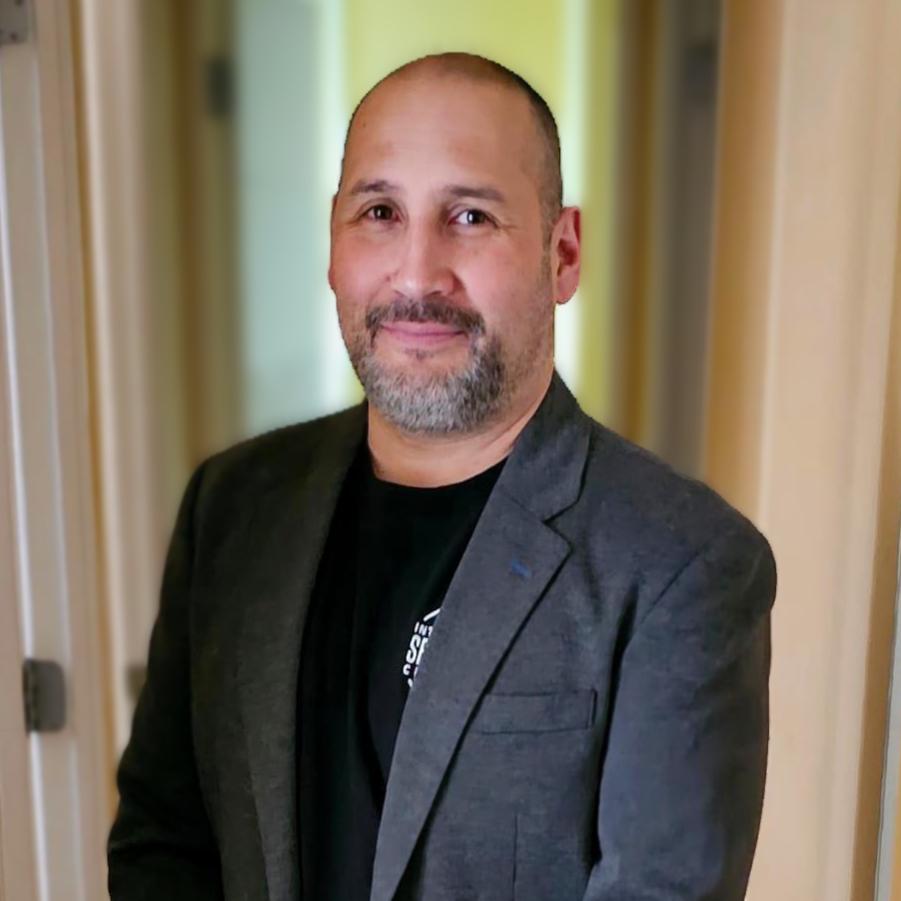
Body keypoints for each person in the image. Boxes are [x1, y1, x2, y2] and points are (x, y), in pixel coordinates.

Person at [108, 52, 777, 901]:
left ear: (562, 253)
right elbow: (163, 838)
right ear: (333, 246)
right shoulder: (233, 507)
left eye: (469, 215)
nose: (418, 274)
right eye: (379, 212)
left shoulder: (682, 564)